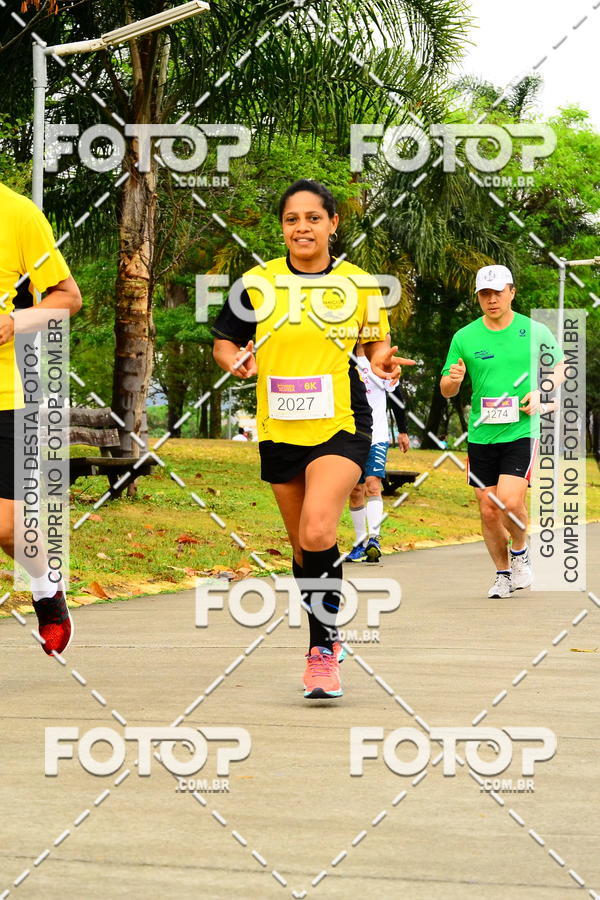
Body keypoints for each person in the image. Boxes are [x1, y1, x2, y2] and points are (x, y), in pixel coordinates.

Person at [213, 179, 413, 699]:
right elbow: (224, 342)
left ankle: (322, 651)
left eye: (312, 218)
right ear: (283, 227)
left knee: (320, 528)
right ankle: (327, 636)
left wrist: (383, 364)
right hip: (279, 430)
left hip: (342, 424)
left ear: (332, 224)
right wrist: (236, 361)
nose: (302, 227)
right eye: (291, 219)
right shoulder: (255, 282)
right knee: (303, 546)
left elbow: (376, 346)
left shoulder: (359, 284)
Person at [440, 264, 564, 598]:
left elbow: (561, 368)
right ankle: (503, 574)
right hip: (482, 435)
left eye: (497, 292)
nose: (492, 299)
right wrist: (452, 381)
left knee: (509, 501)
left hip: (521, 430)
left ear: (511, 291)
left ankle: (521, 551)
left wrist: (542, 391)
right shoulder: (464, 337)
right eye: (485, 294)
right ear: (478, 297)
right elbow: (446, 389)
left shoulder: (534, 331)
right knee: (488, 509)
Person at [0, 181, 82, 654]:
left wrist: (15, 321)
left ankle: (47, 590)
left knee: (7, 528)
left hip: (9, 395)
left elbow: (67, 297)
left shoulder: (19, 214)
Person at [347, 344, 410, 562]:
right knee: (355, 489)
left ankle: (374, 539)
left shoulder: (380, 360)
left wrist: (403, 431)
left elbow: (397, 397)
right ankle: (359, 543)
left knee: (373, 484)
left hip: (377, 435)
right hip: (349, 434)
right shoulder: (344, 360)